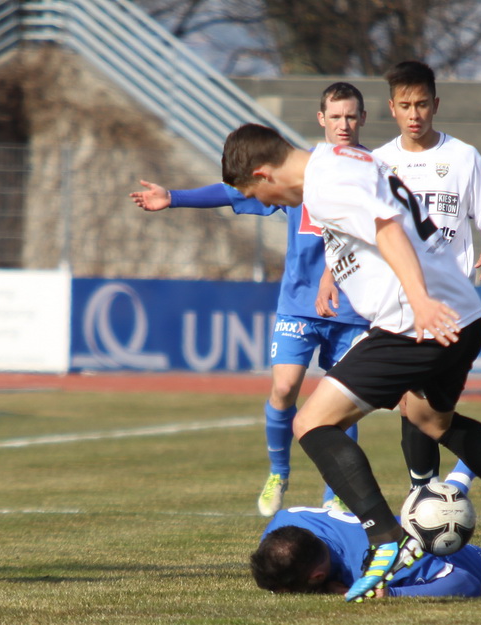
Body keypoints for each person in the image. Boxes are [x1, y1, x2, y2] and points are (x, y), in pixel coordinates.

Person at [220, 123, 481, 602]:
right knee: (430, 420)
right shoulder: (343, 158)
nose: (263, 203)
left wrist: (419, 300)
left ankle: (387, 538)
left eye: (254, 194)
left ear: (262, 173)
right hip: (461, 312)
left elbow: (386, 227)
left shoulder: (324, 182)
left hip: (413, 322)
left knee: (311, 423)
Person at [130, 82, 371, 517]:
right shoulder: (297, 170)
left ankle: (335, 494)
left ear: (363, 119)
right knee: (284, 388)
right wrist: (175, 198)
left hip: (351, 307)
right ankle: (279, 471)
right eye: (336, 116)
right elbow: (236, 189)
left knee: (340, 404)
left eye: (351, 116)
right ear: (321, 119)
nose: (344, 124)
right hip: (299, 302)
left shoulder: (368, 171)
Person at [372, 60, 481, 490]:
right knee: (420, 408)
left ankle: (430, 492)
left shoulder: (463, 157)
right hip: (397, 302)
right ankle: (431, 492)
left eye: (422, 104)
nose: (414, 114)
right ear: (392, 108)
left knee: (426, 408)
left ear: (436, 104)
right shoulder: (378, 163)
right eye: (405, 106)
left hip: (451, 304)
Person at [250, 462, 481, 597]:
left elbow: (463, 582)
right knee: (439, 511)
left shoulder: (372, 566)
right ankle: (466, 465)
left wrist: (391, 594)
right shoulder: (284, 524)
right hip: (406, 520)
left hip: (435, 549)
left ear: (318, 576)